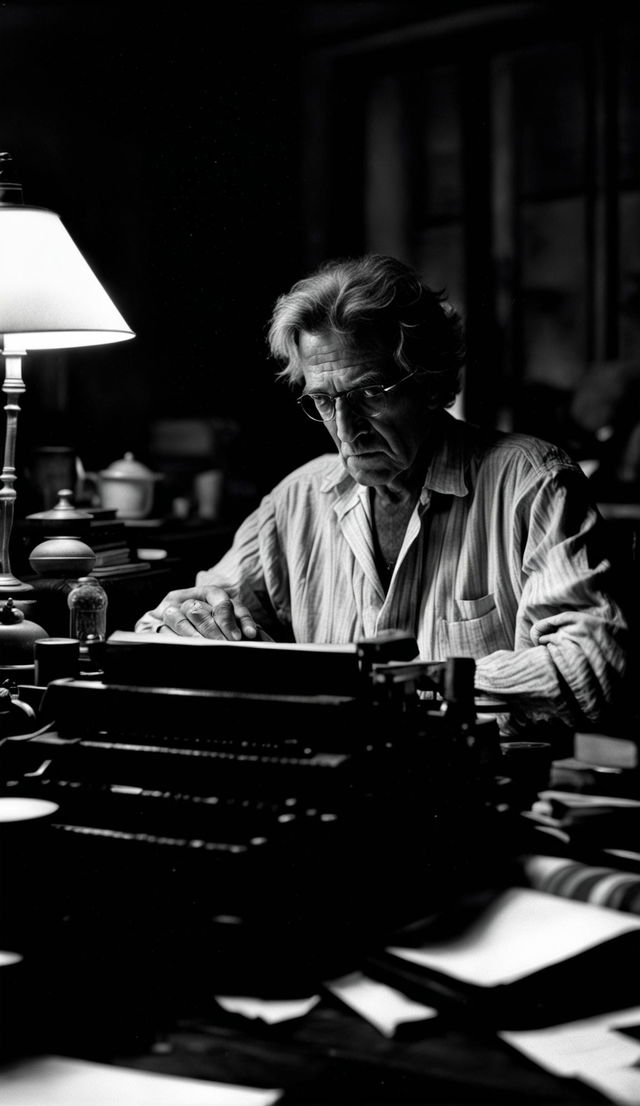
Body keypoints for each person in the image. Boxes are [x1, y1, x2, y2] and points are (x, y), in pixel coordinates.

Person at [135, 254, 629, 734]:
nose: (347, 429)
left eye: (370, 393)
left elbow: (591, 668)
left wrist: (403, 685)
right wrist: (196, 623)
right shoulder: (299, 499)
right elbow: (160, 630)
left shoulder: (531, 481)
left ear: (433, 385)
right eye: (324, 401)